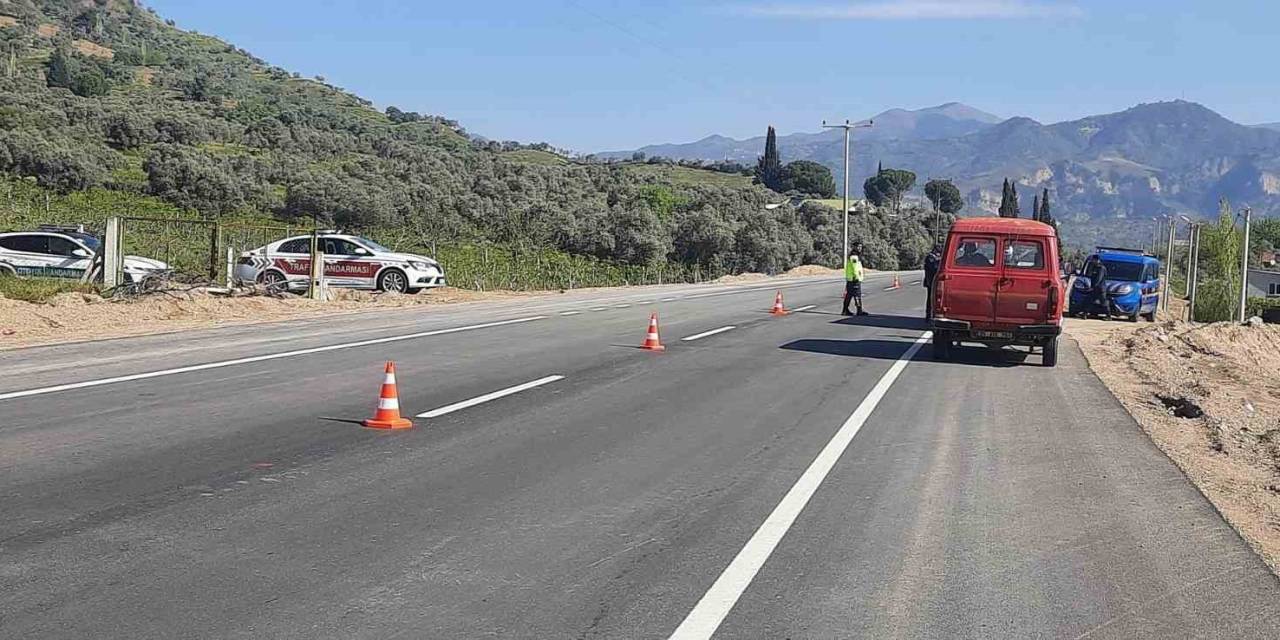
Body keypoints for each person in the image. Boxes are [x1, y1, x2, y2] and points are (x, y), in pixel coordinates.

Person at [842, 244, 868, 316]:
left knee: (849, 295)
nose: (860, 248)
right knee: (857, 295)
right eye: (858, 247)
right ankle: (859, 310)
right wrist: (856, 277)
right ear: (854, 247)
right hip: (854, 279)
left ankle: (845, 310)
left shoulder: (855, 256)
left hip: (851, 279)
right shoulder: (854, 256)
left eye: (860, 247)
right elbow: (855, 268)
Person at [923, 244, 941, 319]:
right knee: (930, 298)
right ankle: (928, 314)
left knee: (935, 298)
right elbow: (934, 267)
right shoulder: (930, 257)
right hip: (931, 280)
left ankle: (932, 314)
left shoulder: (936, 257)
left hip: (934, 281)